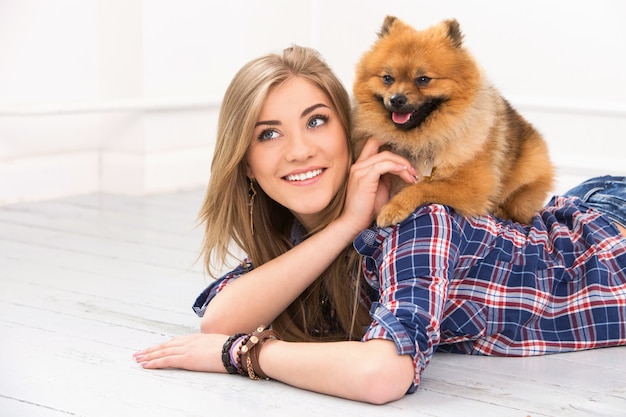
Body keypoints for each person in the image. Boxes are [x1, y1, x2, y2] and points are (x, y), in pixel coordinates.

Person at [133, 45, 626, 404]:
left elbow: (379, 376)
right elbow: (220, 318)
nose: (300, 149)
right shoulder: (318, 232)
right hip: (571, 214)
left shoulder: (418, 214)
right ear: (244, 162)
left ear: (351, 133)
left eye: (317, 120)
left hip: (608, 247)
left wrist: (242, 356)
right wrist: (346, 223)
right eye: (269, 133)